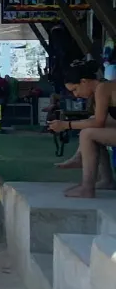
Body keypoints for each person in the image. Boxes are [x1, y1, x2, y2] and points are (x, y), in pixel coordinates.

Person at [48, 60, 116, 198]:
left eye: (75, 89)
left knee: (88, 134)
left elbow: (99, 123)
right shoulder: (103, 87)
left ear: (84, 81)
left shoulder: (103, 88)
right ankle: (106, 179)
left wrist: (66, 125)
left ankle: (87, 188)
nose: (76, 95)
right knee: (91, 127)